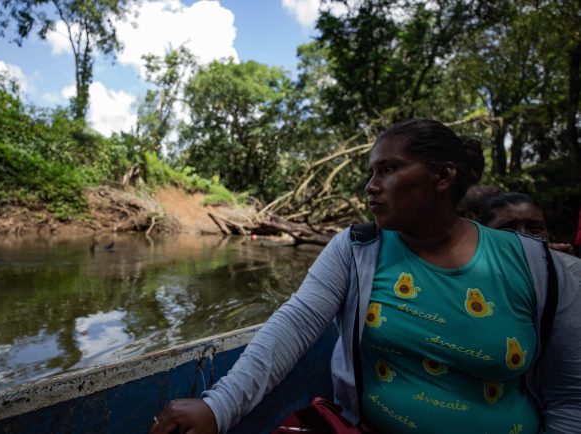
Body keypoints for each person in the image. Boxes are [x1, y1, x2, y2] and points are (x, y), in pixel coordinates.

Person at [150, 119, 581, 434]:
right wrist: (218, 407)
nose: (371, 186)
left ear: (443, 176)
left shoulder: (545, 270)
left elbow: (570, 399)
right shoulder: (357, 248)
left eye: (389, 170)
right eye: (371, 172)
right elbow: (295, 324)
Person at [478, 191, 581, 283]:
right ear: (482, 233)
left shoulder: (570, 270)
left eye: (535, 228)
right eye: (508, 228)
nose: (523, 235)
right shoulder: (471, 275)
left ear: (549, 234)